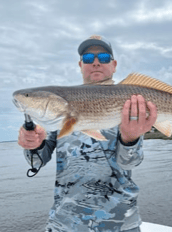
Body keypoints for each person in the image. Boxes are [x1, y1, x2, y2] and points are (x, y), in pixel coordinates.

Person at [17, 35, 157, 232]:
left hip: (119, 223)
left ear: (114, 64)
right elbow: (37, 162)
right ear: (81, 64)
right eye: (89, 59)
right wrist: (33, 145)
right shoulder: (55, 116)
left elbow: (130, 163)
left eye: (104, 58)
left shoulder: (130, 102)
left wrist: (130, 138)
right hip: (65, 224)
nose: (97, 63)